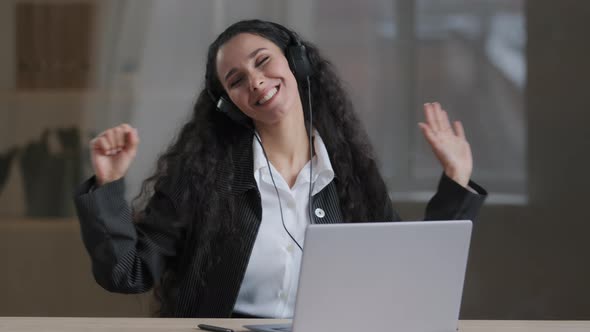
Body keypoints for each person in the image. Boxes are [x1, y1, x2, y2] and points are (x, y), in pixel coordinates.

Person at [74, 19, 487, 318]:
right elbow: (127, 274)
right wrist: (108, 186)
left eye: (262, 61)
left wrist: (456, 181)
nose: (254, 81)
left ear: (297, 63)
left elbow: (408, 275)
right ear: (228, 103)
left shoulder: (351, 175)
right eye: (236, 80)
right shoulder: (199, 178)